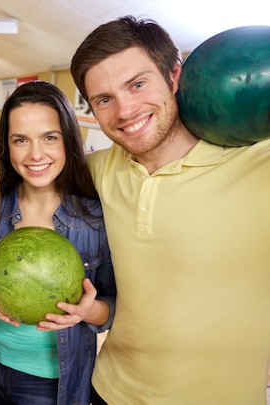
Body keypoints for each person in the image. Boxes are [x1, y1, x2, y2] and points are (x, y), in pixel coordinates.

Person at [70, 16, 270, 405]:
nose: (125, 111)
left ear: (174, 76)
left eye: (138, 84)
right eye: (104, 99)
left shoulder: (259, 165)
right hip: (108, 390)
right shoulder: (96, 172)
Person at [0, 81, 116, 405]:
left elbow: (115, 307)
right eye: (20, 140)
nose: (35, 154)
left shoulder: (95, 219)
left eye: (49, 138)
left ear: (68, 139)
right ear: (7, 146)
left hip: (52, 383)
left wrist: (86, 310)